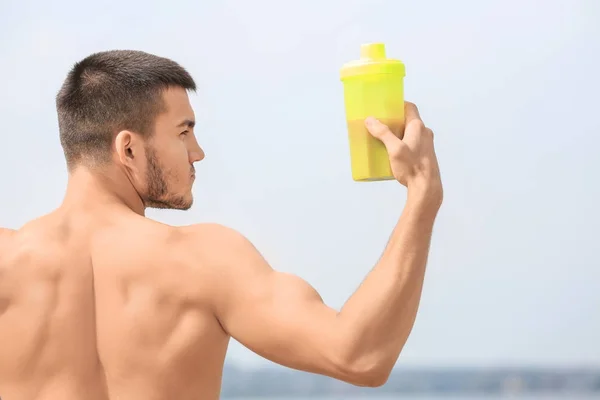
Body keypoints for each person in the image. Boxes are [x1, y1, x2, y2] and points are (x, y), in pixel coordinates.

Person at [0, 50, 443, 400]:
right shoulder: (204, 261)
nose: (197, 152)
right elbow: (360, 356)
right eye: (183, 132)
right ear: (128, 149)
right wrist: (423, 196)